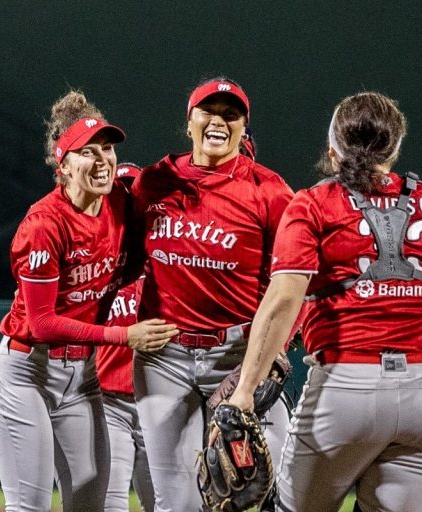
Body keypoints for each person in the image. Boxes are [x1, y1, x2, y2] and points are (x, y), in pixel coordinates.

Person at [226, 91, 422, 512]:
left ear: (332, 148)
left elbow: (283, 300)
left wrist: (245, 391)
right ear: (394, 148)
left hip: (347, 386)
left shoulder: (313, 203)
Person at [0, 91, 179, 512]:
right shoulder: (44, 224)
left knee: (90, 505)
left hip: (83, 376)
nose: (102, 160)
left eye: (107, 148)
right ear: (63, 166)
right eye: (86, 152)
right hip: (27, 373)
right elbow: (42, 324)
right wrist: (123, 335)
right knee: (29, 505)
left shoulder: (123, 206)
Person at [130, 77, 296, 512]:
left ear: (244, 128)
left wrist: (277, 349)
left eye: (232, 114)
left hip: (241, 354)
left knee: (260, 483)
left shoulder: (270, 191)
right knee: (176, 501)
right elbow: (121, 258)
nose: (219, 121)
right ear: (190, 122)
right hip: (164, 357)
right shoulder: (153, 183)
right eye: (209, 111)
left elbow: (302, 283)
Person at [95, 163, 155, 512]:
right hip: (108, 400)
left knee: (170, 503)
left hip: (160, 399)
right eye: (122, 191)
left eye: (135, 191)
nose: (129, 199)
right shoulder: (95, 258)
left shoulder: (169, 254)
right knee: (110, 503)